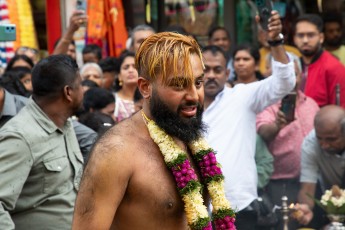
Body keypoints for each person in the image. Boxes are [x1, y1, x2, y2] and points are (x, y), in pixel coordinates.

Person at [72, 32, 235, 229]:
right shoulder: (115, 151)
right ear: (145, 87)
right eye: (178, 85)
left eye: (198, 82)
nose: (194, 96)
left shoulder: (190, 139)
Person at [202, 10, 295, 229]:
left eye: (218, 70)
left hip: (239, 205)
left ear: (227, 73)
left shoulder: (242, 96)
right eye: (205, 70)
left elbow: (284, 82)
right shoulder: (182, 106)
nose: (211, 75)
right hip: (195, 207)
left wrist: (274, 40)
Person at [0, 54, 84, 229]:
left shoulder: (64, 124)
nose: (83, 91)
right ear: (68, 92)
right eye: (80, 85)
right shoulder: (21, 136)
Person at [256, 59, 319, 230]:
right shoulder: (267, 105)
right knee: (284, 226)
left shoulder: (312, 104)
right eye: (286, 75)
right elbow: (263, 132)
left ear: (301, 76)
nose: (291, 79)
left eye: (295, 74)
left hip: (311, 182)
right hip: (280, 185)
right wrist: (277, 125)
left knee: (308, 224)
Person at [294, 105, 345, 228]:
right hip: (327, 196)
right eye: (319, 138)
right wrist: (305, 208)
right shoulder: (310, 144)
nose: (324, 145)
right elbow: (307, 188)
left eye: (331, 139)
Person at [293, 14, 345, 108]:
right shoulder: (292, 67)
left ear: (321, 38)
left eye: (310, 35)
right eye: (300, 35)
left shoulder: (334, 67)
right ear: (294, 39)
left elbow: (340, 110)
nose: (305, 40)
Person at [113, 51, 138, 122]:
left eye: (135, 67)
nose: (130, 70)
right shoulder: (114, 100)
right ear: (119, 76)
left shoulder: (149, 98)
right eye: (126, 67)